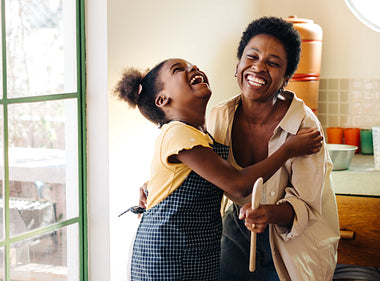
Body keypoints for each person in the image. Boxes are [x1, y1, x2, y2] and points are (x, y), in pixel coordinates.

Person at [113, 58, 323, 281]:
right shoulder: (177, 132)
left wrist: (151, 185)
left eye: (191, 65)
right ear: (163, 100)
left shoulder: (201, 136)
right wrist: (288, 150)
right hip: (166, 257)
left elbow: (180, 179)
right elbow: (238, 184)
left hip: (194, 256)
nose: (192, 68)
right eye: (179, 70)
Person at [207, 16, 340, 281]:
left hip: (293, 239)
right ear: (238, 65)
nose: (258, 68)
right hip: (238, 229)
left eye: (273, 63)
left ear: (287, 77)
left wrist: (269, 214)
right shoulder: (220, 116)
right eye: (252, 57)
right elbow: (202, 170)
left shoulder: (304, 124)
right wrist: (155, 188)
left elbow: (307, 206)